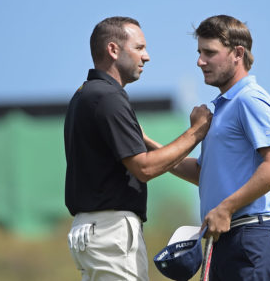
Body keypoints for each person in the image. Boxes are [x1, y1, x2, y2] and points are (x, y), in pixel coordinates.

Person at [64, 16, 212, 281]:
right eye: (139, 47)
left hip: (91, 231)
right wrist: (196, 132)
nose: (147, 57)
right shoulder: (108, 97)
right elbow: (144, 167)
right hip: (111, 232)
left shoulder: (85, 93)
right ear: (113, 49)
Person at [146, 15, 270, 280]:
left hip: (251, 239)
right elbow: (205, 173)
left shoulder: (250, 99)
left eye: (209, 53)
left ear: (238, 53)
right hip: (226, 241)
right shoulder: (222, 106)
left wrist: (225, 208)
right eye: (200, 52)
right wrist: (148, 145)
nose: (200, 61)